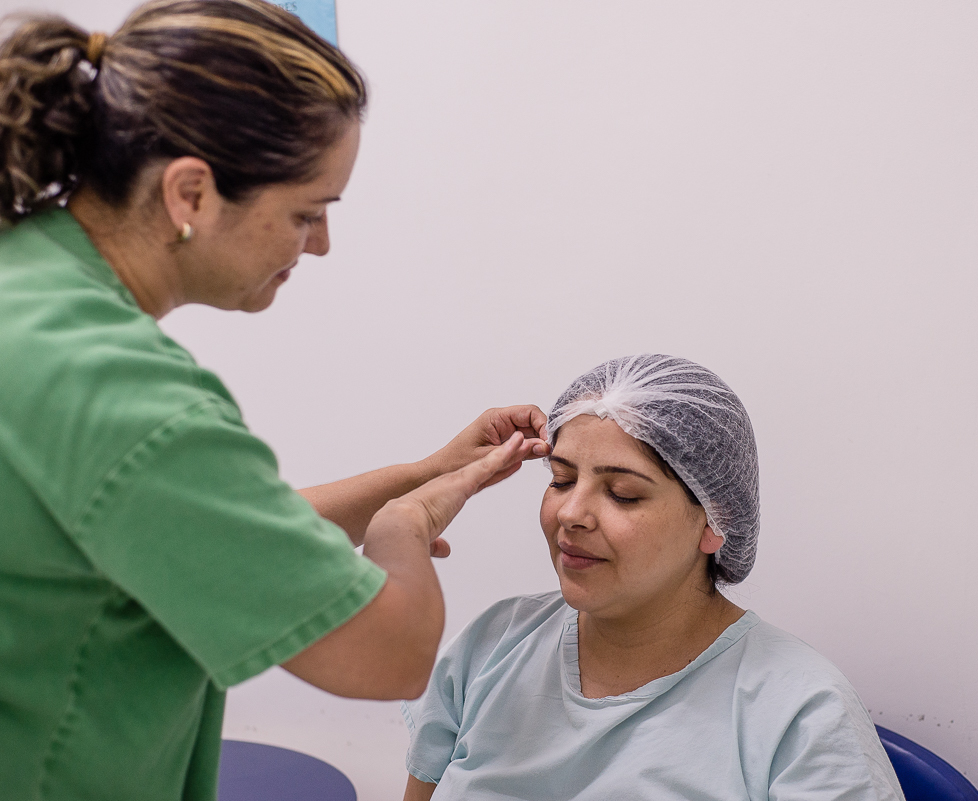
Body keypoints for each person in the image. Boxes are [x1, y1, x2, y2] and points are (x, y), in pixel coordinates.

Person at [0, 2, 548, 799]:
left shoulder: (27, 287)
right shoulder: (128, 392)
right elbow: (389, 655)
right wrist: (411, 522)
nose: (319, 243)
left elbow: (177, 524)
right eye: (306, 211)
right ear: (191, 192)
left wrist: (424, 470)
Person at [402, 354, 906, 801]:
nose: (570, 513)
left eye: (622, 493)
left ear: (715, 520)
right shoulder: (494, 644)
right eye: (561, 480)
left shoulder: (802, 713)